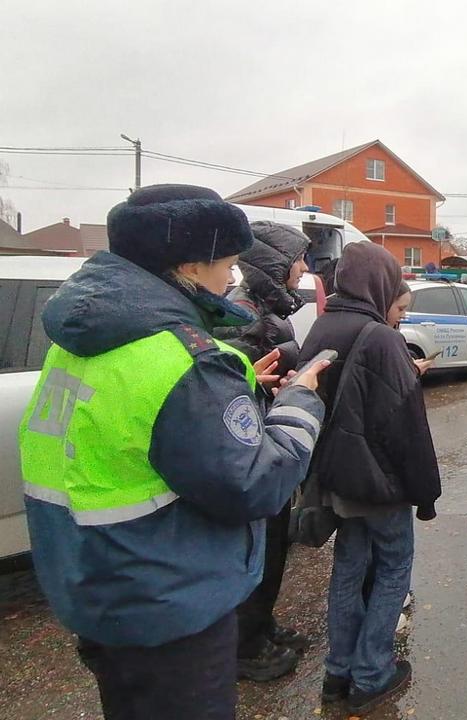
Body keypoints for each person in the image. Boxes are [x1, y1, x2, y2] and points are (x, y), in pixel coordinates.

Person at [18, 185, 329, 720]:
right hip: (167, 605)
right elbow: (255, 485)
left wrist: (224, 394)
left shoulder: (83, 339)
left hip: (94, 586)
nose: (231, 278)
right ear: (189, 264)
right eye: (227, 264)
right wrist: (300, 402)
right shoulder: (186, 360)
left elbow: (132, 429)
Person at [299, 242, 441, 715]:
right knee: (393, 569)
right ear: (379, 284)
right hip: (379, 484)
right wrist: (426, 492)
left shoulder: (322, 326)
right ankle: (372, 673)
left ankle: (337, 673)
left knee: (348, 570)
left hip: (337, 480)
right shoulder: (380, 337)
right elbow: (407, 427)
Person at [213, 220, 312, 681]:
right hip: (253, 450)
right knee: (259, 549)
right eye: (297, 261)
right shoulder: (245, 314)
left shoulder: (270, 311)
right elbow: (234, 390)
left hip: (268, 442)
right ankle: (245, 645)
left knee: (274, 547)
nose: (305, 269)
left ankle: (262, 624)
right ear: (276, 265)